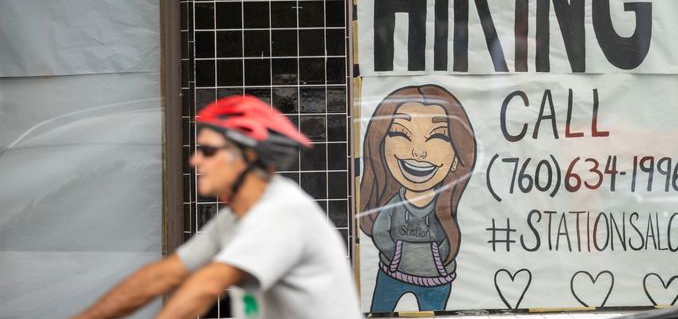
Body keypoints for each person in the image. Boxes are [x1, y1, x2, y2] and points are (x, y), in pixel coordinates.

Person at [70, 95, 362, 319]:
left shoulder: (281, 211)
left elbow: (209, 284)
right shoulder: (235, 219)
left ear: (246, 156)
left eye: (208, 151)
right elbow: (163, 275)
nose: (195, 161)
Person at [359, 85, 477, 313]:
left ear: (456, 157)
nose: (419, 153)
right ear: (381, 148)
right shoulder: (394, 203)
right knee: (381, 310)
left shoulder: (445, 206)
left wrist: (438, 258)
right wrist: (395, 255)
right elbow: (381, 232)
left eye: (438, 136)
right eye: (401, 133)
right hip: (392, 273)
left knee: (435, 311)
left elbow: (447, 238)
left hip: (437, 279)